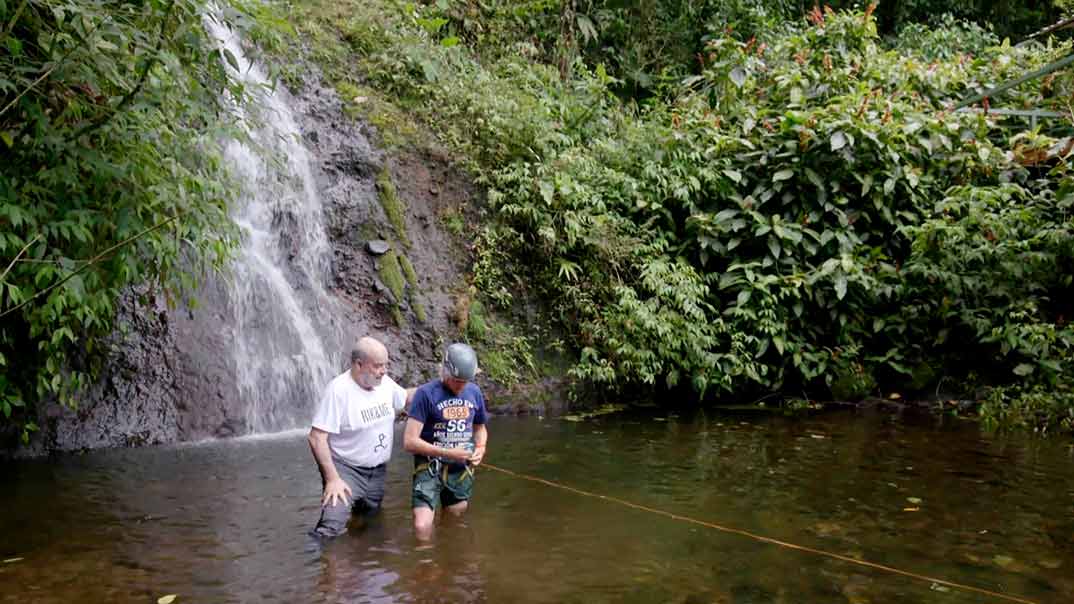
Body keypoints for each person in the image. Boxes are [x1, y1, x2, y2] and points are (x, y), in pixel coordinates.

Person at [308, 336, 410, 538]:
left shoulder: (384, 383)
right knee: (331, 526)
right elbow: (316, 437)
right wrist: (332, 479)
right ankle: (318, 566)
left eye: (386, 365)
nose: (384, 371)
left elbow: (406, 397)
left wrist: (439, 388)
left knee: (370, 521)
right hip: (346, 470)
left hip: (378, 472)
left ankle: (365, 562)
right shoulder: (338, 391)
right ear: (358, 364)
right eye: (378, 366)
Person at [403, 342, 489, 540]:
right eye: (457, 380)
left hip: (460, 469)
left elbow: (480, 427)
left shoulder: (474, 392)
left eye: (466, 381)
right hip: (429, 466)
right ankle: (426, 565)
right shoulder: (426, 394)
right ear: (445, 371)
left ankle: (448, 560)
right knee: (422, 526)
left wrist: (481, 447)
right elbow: (409, 441)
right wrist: (447, 453)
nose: (461, 385)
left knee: (454, 520)